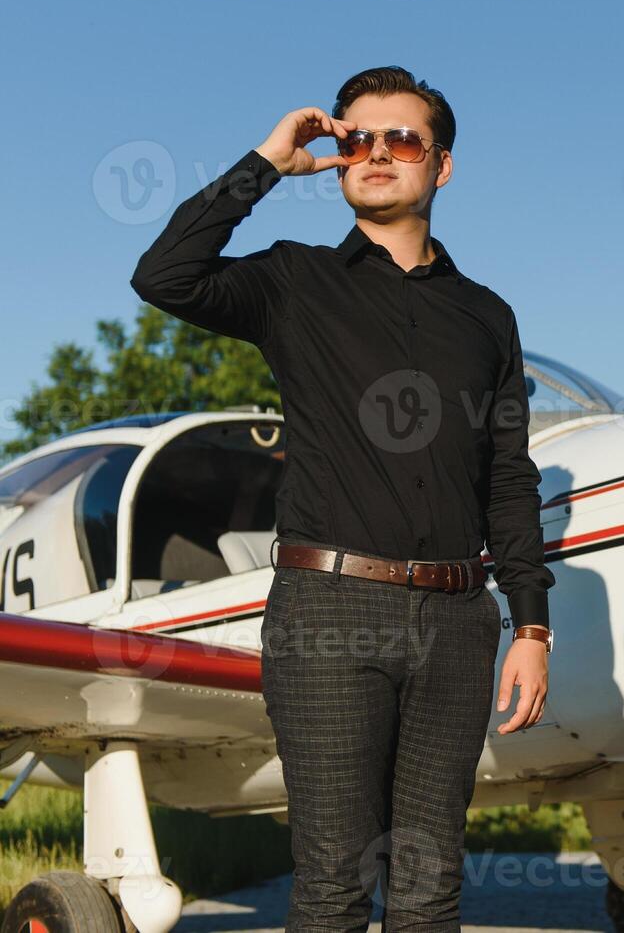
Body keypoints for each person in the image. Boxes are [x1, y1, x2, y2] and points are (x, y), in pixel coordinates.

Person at [130, 64, 557, 930]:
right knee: (332, 886)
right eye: (355, 138)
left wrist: (533, 625)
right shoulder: (293, 281)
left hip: (457, 622)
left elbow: (508, 475)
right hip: (327, 612)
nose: (374, 153)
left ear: (440, 166)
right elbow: (163, 275)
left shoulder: (488, 317)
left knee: (431, 888)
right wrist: (266, 164)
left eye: (401, 139)